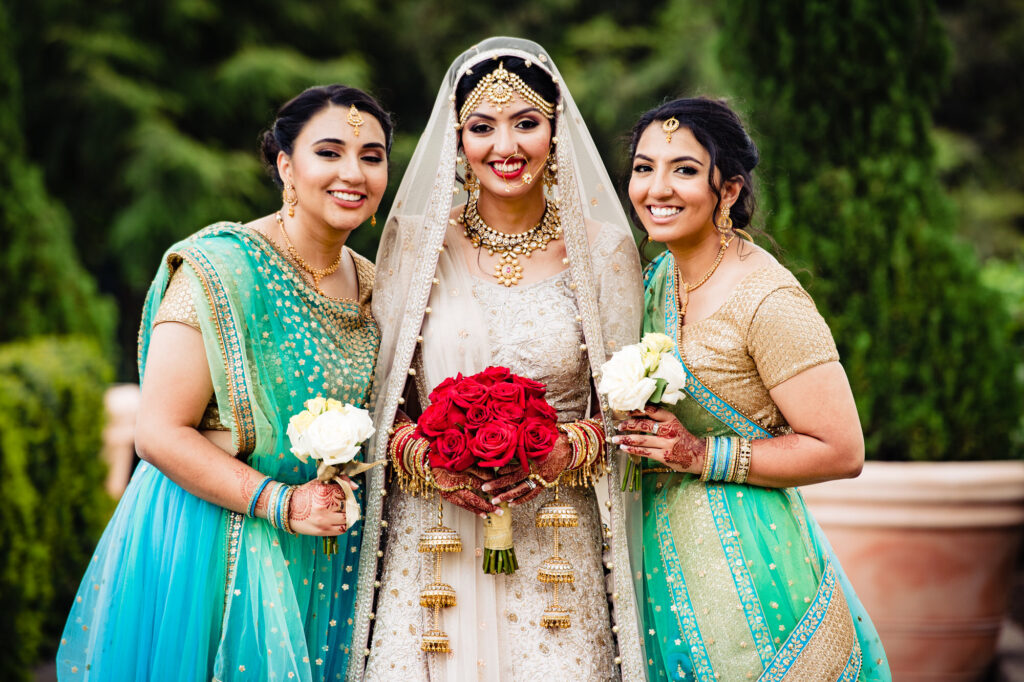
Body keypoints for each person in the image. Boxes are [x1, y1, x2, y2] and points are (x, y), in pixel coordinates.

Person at [56, 84, 392, 681]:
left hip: (322, 551)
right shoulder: (221, 268)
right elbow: (158, 433)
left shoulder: (374, 286)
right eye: (330, 152)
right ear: (286, 164)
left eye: (372, 156)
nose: (354, 174)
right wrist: (281, 503)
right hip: (213, 542)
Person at [349, 37, 646, 681]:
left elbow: (627, 413)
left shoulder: (605, 253)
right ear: (458, 140)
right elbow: (384, 400)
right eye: (482, 127)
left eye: (526, 123)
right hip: (435, 536)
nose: (504, 148)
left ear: (555, 130)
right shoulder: (415, 245)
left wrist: (563, 450)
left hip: (559, 540)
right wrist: (427, 457)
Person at [614, 97, 892, 681]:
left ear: (730, 190)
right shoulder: (660, 276)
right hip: (660, 555)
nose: (656, 189)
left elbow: (842, 449)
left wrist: (700, 453)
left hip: (752, 560)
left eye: (684, 170)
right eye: (644, 167)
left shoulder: (768, 299)